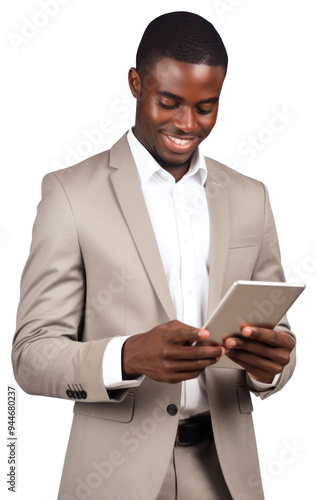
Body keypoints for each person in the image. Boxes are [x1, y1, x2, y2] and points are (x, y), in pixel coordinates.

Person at [12, 11, 296, 500]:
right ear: (135, 83)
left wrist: (271, 366)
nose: (187, 125)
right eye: (169, 102)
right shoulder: (69, 194)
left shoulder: (252, 197)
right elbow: (32, 354)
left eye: (206, 107)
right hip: (112, 479)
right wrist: (127, 356)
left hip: (226, 475)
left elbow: (278, 338)